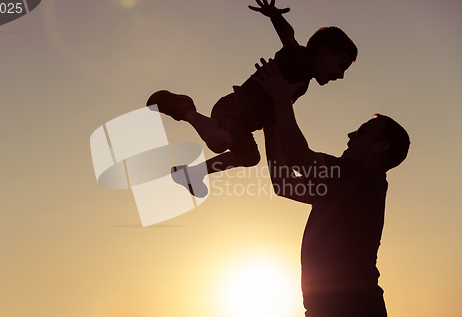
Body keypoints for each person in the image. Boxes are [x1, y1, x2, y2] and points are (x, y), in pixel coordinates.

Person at [252, 59, 410, 317]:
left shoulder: (359, 176)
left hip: (351, 311)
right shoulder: (347, 186)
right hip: (334, 312)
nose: (350, 135)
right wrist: (271, 122)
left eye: (361, 132)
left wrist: (281, 101)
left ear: (381, 147)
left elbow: (298, 158)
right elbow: (284, 183)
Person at [146, 0, 357, 197]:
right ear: (324, 53)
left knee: (250, 157)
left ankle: (191, 174)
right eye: (341, 66)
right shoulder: (299, 60)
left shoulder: (300, 83)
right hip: (239, 107)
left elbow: (275, 118)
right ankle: (185, 109)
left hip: (250, 120)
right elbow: (289, 40)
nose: (341, 75)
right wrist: (275, 17)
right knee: (220, 141)